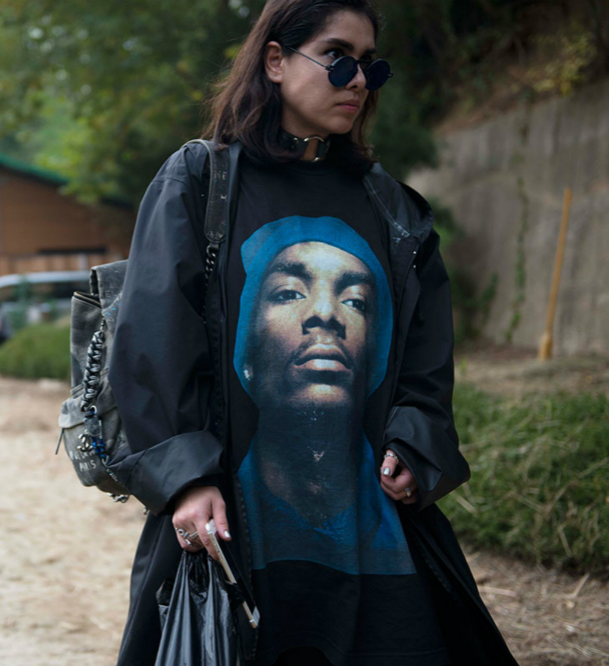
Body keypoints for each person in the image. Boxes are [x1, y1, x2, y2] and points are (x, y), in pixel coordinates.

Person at [107, 2, 517, 665]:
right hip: (233, 532)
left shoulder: (394, 208)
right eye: (337, 56)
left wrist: (416, 441)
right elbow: (152, 341)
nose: (358, 80)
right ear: (275, 60)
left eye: (370, 64)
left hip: (375, 545)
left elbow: (424, 358)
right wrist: (184, 478)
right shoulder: (201, 182)